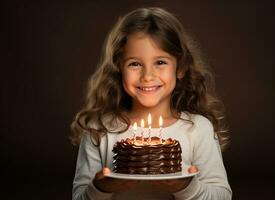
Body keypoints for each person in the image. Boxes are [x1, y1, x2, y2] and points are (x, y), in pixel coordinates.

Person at [70, 7, 232, 200]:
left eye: (160, 62)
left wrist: (186, 187)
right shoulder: (99, 130)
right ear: (119, 67)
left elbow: (222, 196)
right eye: (135, 64)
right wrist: (101, 187)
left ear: (180, 68)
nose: (148, 76)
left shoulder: (198, 129)